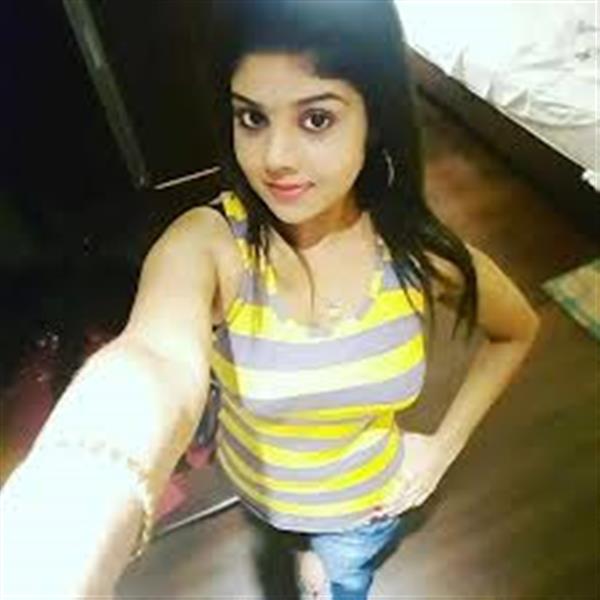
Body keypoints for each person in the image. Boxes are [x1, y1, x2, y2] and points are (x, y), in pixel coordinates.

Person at [0, 1, 539, 598]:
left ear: (375, 119)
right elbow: (153, 357)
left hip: (365, 507)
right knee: (287, 541)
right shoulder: (211, 244)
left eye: (316, 119)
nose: (275, 157)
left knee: (344, 579)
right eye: (252, 118)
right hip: (259, 492)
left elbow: (517, 330)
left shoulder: (421, 254)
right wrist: (73, 501)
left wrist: (440, 449)